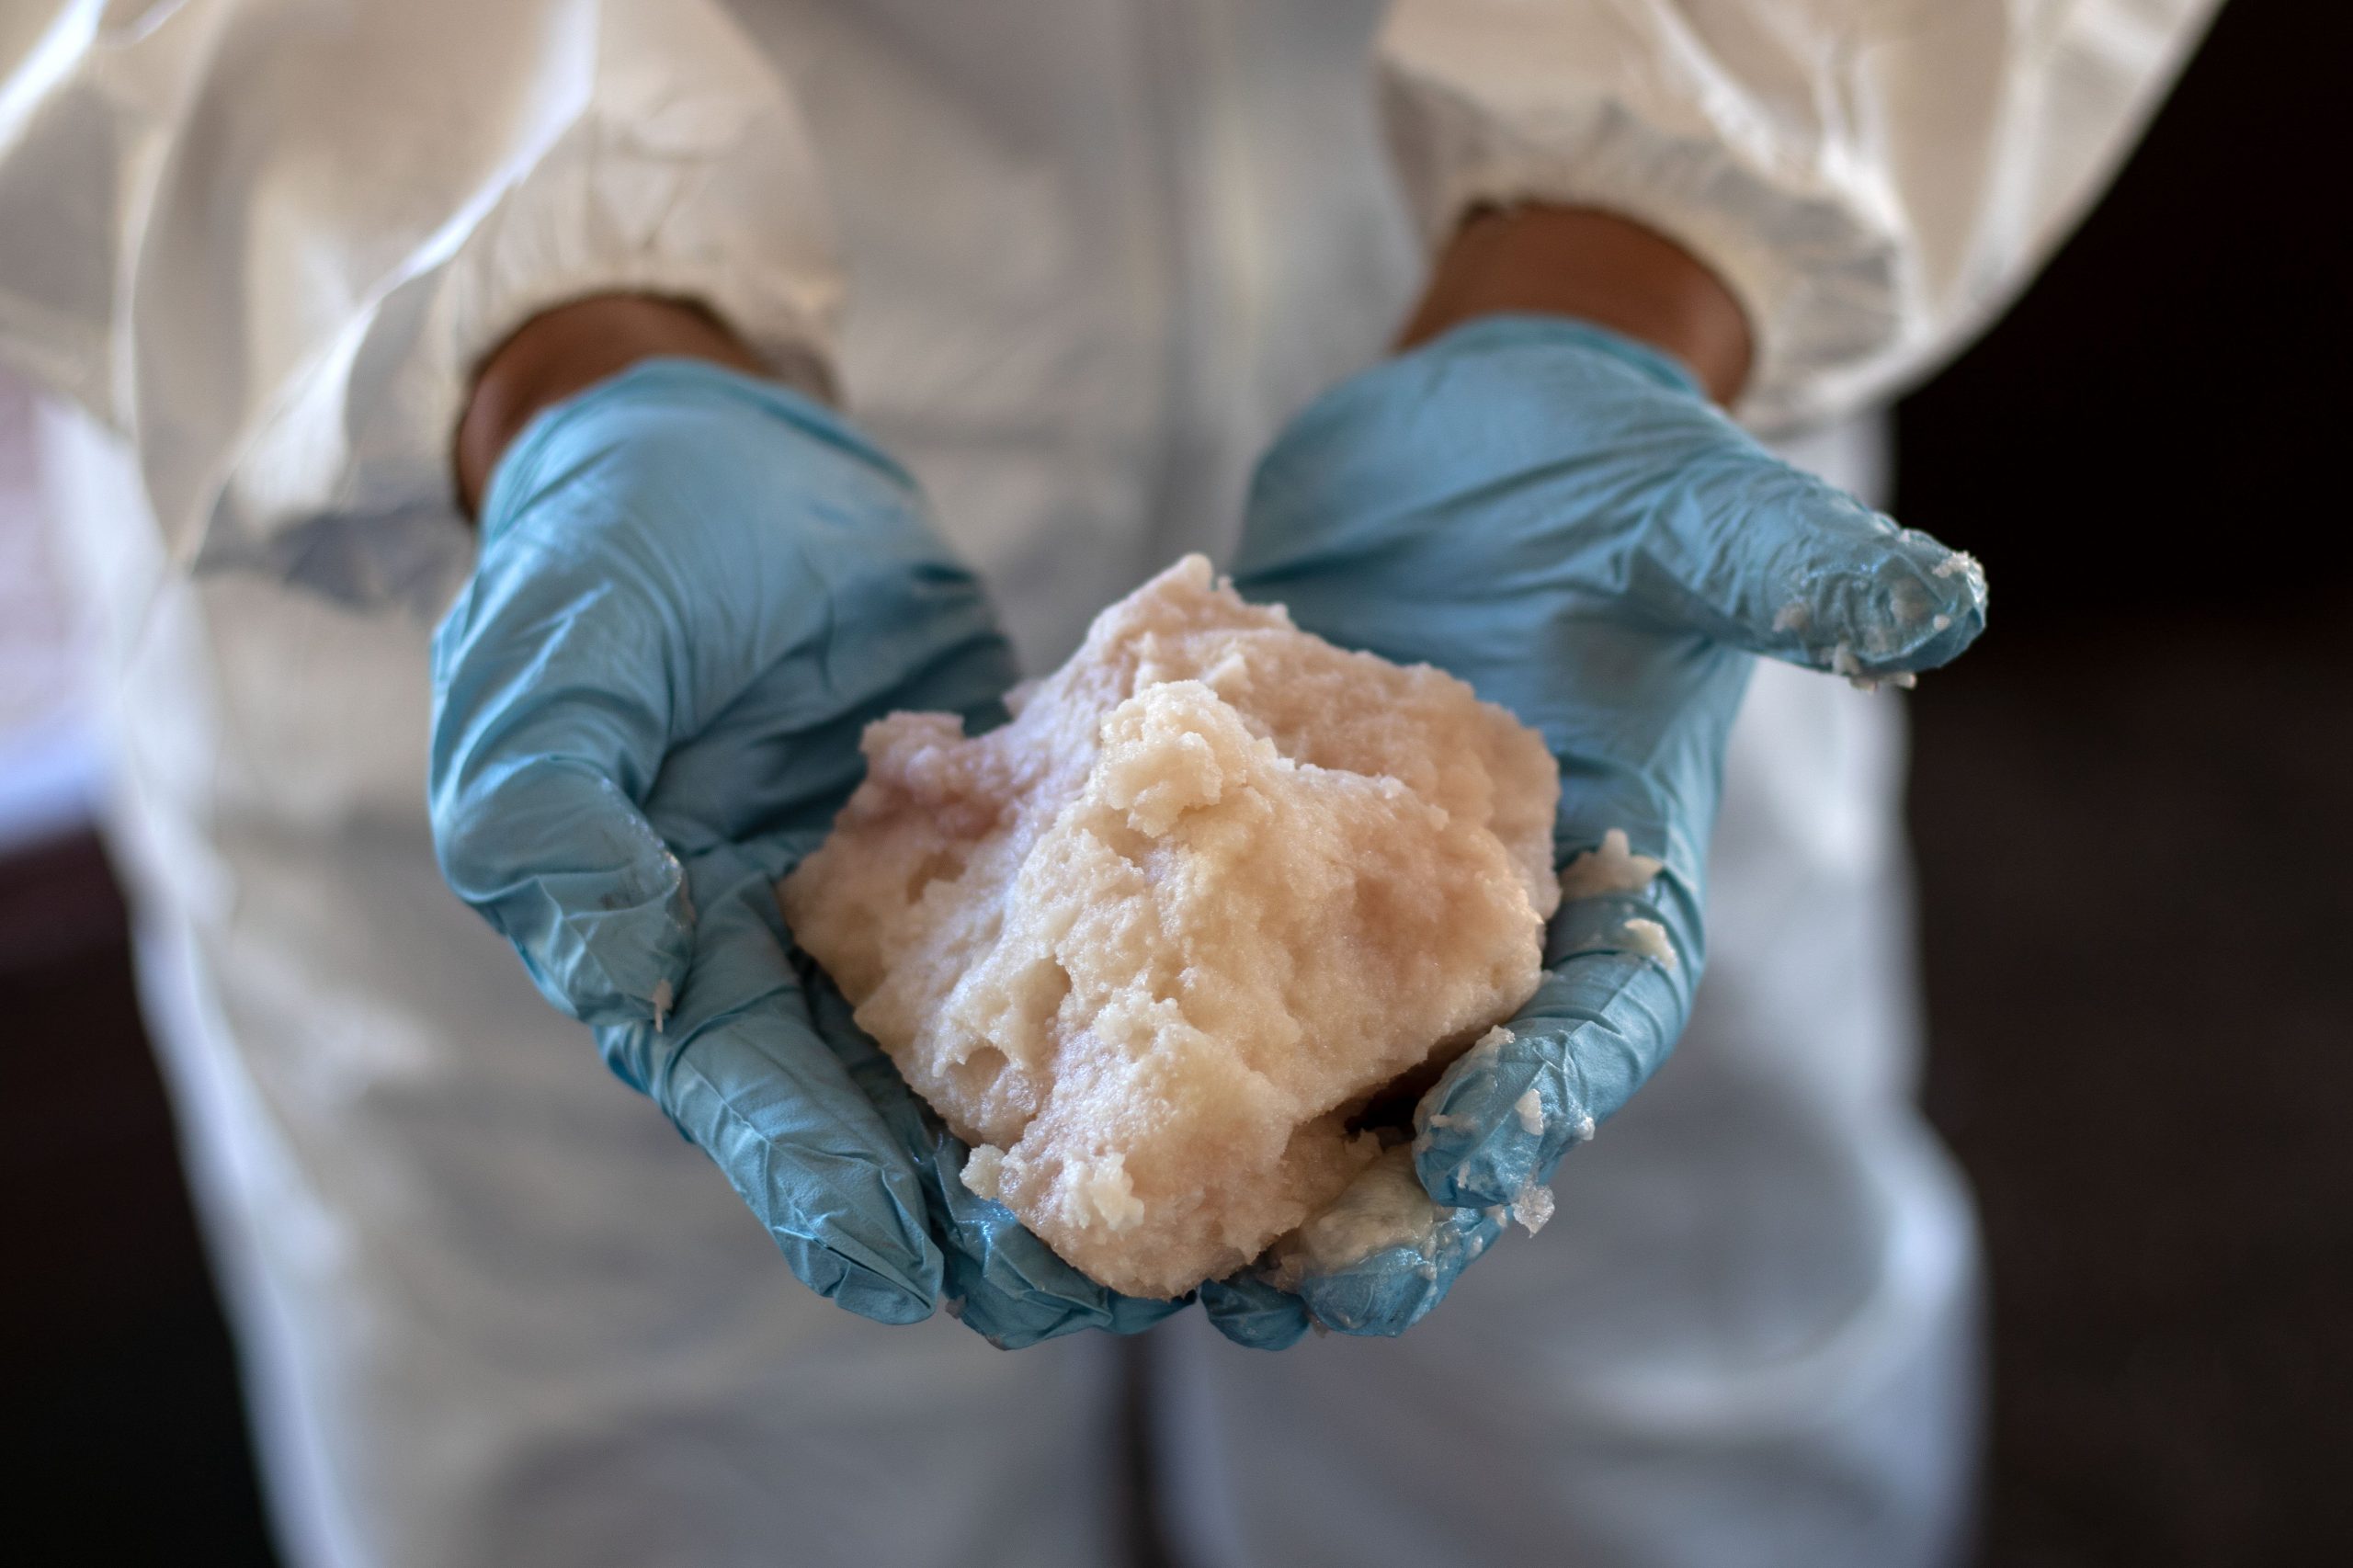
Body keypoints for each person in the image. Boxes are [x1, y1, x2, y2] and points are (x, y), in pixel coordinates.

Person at [0, 2, 2218, 1563]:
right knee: (665, 1498)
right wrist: (528, 333)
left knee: (1646, 1457)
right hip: (541, 525)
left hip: (1580, 467)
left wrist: (1641, 247)